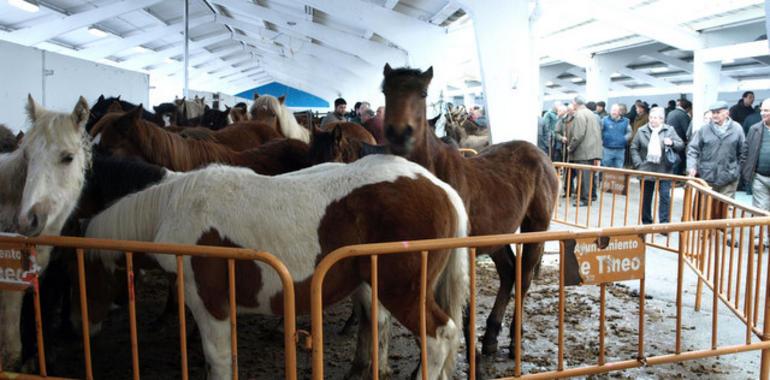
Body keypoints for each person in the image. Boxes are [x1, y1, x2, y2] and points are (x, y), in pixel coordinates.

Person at [630, 107, 685, 227]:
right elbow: (634, 147)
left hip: (664, 168)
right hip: (646, 168)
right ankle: (647, 223)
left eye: (656, 118)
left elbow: (681, 145)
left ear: (662, 119)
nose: (653, 120)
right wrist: (638, 163)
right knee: (646, 197)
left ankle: (664, 223)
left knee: (665, 197)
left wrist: (672, 143)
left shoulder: (669, 130)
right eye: (651, 117)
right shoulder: (641, 130)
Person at [687, 101, 747, 197]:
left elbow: (743, 152)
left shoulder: (737, 129)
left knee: (725, 209)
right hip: (707, 178)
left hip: (729, 178)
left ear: (727, 113)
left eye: (718, 112)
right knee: (705, 209)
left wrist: (737, 171)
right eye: (713, 112)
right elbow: (693, 150)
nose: (715, 115)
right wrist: (691, 167)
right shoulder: (704, 129)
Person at [741, 98, 770, 246]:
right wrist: (746, 172)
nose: (763, 113)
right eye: (762, 110)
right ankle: (761, 240)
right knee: (760, 209)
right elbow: (745, 152)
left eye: (767, 111)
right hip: (759, 177)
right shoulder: (755, 129)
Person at [567, 96, 603, 206]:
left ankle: (584, 199)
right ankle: (591, 196)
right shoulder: (591, 113)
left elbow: (578, 134)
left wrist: (571, 147)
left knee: (583, 177)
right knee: (589, 176)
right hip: (591, 150)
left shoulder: (579, 114)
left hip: (583, 151)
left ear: (575, 103)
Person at [601, 104, 632, 169]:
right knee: (605, 169)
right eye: (612, 110)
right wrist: (602, 140)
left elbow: (630, 133)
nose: (613, 112)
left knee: (618, 170)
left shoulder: (626, 121)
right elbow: (599, 131)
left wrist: (623, 139)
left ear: (619, 112)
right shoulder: (604, 120)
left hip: (620, 150)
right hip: (607, 149)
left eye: (615, 110)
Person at [666, 98, 692, 175]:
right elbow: (687, 131)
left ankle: (672, 176)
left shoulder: (671, 113)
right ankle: (677, 177)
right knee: (680, 159)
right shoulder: (683, 115)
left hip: (669, 139)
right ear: (687, 108)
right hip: (680, 141)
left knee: (672, 158)